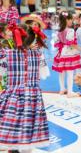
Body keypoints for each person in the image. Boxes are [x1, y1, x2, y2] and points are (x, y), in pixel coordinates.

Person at [0, 25, 50, 153]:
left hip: (13, 98)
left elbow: (2, 71)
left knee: (12, 129)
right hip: (32, 99)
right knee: (28, 133)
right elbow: (44, 74)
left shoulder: (7, 54)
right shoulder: (38, 54)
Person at [52, 11, 81, 97]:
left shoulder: (59, 31)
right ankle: (70, 92)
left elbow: (58, 42)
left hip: (61, 52)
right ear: (66, 20)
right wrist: (80, 49)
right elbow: (71, 43)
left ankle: (62, 89)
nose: (72, 21)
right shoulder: (70, 30)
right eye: (70, 19)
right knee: (70, 72)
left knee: (61, 72)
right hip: (69, 52)